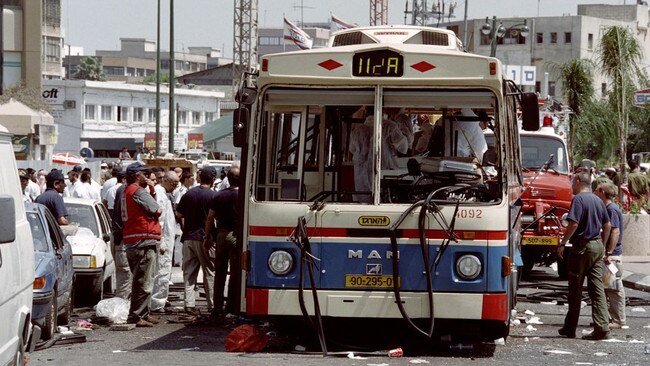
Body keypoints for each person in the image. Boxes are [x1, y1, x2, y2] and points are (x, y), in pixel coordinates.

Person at [557, 171, 612, 340]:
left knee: (575, 289)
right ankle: (602, 327)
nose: (571, 186)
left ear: (579, 182)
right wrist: (603, 246)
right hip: (596, 246)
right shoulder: (597, 200)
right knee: (597, 289)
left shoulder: (579, 200)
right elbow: (608, 224)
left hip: (582, 247)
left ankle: (570, 328)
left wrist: (562, 242)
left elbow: (573, 223)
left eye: (573, 182)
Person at [121, 162, 162, 327]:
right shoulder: (138, 191)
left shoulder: (126, 191)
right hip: (142, 240)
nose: (148, 177)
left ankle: (143, 313)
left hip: (132, 239)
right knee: (144, 281)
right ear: (137, 175)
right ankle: (137, 315)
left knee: (141, 279)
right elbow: (156, 209)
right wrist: (152, 191)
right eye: (144, 174)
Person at [176, 167, 218, 314]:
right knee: (209, 272)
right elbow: (216, 218)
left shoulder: (189, 194)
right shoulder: (214, 196)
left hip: (188, 237)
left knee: (188, 273)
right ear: (213, 180)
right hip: (206, 239)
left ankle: (189, 304)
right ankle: (212, 305)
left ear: (200, 178)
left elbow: (179, 214)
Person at [204, 167, 241, 319]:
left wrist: (207, 236)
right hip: (235, 235)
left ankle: (217, 306)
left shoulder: (219, 196)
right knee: (235, 272)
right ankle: (231, 306)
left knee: (219, 272)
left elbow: (210, 218)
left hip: (221, 234)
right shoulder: (242, 196)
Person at [595, 182, 626, 329]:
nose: (594, 192)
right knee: (608, 287)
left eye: (596, 190)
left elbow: (615, 231)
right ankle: (609, 319)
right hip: (611, 255)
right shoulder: (609, 208)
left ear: (602, 192)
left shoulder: (611, 209)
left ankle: (618, 320)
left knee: (614, 289)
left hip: (611, 256)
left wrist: (608, 253)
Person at [151, 171, 180, 313]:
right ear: (167, 181)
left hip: (167, 238)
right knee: (161, 271)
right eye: (174, 184)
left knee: (163, 271)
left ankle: (160, 300)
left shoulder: (164, 194)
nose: (175, 187)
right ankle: (157, 302)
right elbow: (160, 221)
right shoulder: (160, 195)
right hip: (163, 240)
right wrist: (162, 240)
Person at [110, 170, 132, 300]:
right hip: (123, 239)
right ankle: (122, 306)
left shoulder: (122, 190)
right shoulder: (126, 191)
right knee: (125, 274)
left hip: (120, 238)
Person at [349, 114, 374, 203]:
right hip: (378, 166)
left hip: (360, 165)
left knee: (362, 194)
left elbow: (352, 149)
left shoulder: (357, 130)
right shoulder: (384, 127)